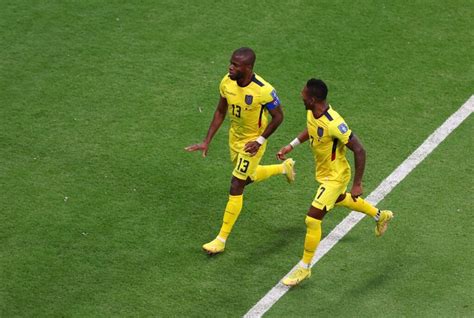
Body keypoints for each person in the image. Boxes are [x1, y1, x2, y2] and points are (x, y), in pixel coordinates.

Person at [277, 79, 393, 286]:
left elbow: (359, 150)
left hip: (335, 177)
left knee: (312, 219)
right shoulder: (312, 111)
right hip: (324, 174)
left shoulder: (335, 123)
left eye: (303, 94)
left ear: (313, 99)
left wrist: (358, 183)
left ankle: (304, 268)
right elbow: (311, 130)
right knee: (340, 200)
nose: (300, 96)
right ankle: (380, 215)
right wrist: (290, 146)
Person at [185, 47, 295, 255]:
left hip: (252, 143)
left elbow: (278, 117)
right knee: (247, 177)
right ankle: (284, 168)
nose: (230, 67)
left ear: (248, 68)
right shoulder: (226, 82)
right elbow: (220, 111)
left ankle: (221, 239)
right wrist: (207, 141)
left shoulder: (263, 90)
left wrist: (260, 140)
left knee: (237, 183)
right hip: (234, 139)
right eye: (231, 63)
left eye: (235, 65)